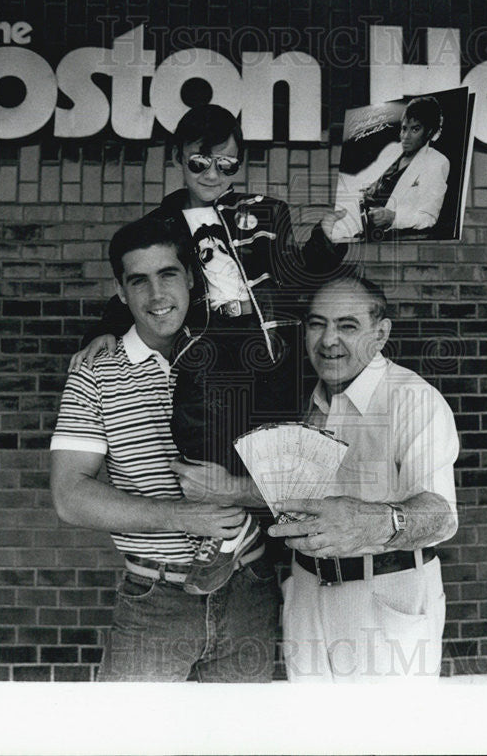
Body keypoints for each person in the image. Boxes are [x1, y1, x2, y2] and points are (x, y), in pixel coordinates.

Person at [173, 274, 460, 682]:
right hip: (308, 593)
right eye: (317, 323)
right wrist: (231, 488)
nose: (328, 340)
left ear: (380, 334)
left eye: (347, 325)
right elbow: (298, 496)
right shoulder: (312, 399)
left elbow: (442, 517)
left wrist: (371, 522)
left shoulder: (412, 399)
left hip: (385, 596)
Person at [71, 103, 348, 501]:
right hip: (205, 342)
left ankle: (275, 547)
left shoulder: (268, 213)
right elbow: (143, 284)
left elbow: (296, 276)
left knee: (279, 452)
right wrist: (104, 329)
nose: (212, 175)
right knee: (202, 437)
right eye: (199, 163)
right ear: (178, 158)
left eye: (226, 164)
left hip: (269, 345)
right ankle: (220, 539)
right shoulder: (160, 225)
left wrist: (327, 243)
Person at [50, 214, 280, 682]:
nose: (156, 295)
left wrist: (236, 492)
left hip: (250, 594)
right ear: (120, 290)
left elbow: (299, 480)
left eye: (168, 274)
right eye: (139, 281)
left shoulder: (241, 355)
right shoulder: (95, 372)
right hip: (155, 599)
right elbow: (69, 496)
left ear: (191, 278)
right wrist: (182, 517)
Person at [360, 95, 450, 235]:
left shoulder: (436, 162)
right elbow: (365, 182)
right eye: (404, 128)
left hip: (387, 239)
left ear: (429, 132)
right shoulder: (392, 150)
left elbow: (428, 219)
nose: (405, 136)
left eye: (415, 129)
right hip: (360, 229)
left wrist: (393, 217)